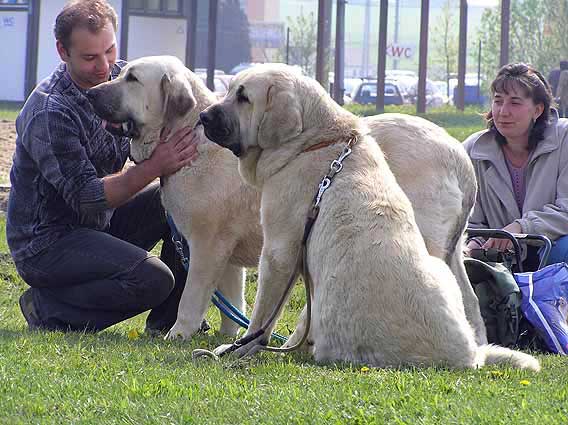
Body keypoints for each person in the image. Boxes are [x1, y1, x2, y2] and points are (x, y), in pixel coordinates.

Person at [7, 0, 199, 333]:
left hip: (98, 225)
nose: (104, 66)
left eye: (109, 51)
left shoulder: (122, 78)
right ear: (62, 52)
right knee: (153, 279)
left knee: (181, 200)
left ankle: (167, 326)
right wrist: (157, 164)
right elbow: (89, 197)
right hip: (47, 242)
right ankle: (47, 308)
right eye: (90, 57)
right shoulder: (50, 112)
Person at [464, 63, 568, 271]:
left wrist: (521, 227)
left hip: (554, 252)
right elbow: (471, 222)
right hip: (499, 261)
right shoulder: (472, 150)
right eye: (498, 101)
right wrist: (472, 246)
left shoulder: (564, 139)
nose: (503, 112)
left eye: (515, 103)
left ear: (537, 110)